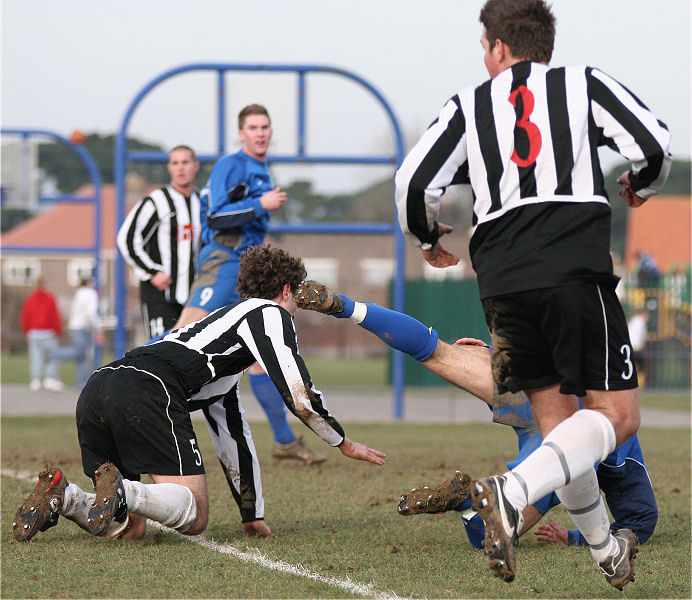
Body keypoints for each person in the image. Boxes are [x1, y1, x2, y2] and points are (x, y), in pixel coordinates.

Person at [393, 1, 671, 588]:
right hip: (570, 262)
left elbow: (415, 182)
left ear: (496, 47)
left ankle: (604, 550)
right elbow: (652, 142)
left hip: (499, 275)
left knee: (559, 427)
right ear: (545, 44)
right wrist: (639, 184)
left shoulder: (467, 105)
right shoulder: (583, 83)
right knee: (616, 418)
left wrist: (426, 239)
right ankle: (510, 491)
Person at [12, 245, 386, 544]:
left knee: (129, 529)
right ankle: (125, 490)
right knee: (195, 516)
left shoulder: (216, 335)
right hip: (148, 386)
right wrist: (341, 440)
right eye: (295, 301)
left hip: (98, 385)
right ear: (286, 291)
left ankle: (66, 495)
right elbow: (298, 392)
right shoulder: (268, 312)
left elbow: (232, 434)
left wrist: (251, 513)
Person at [295, 280, 658, 550]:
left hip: (535, 381)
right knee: (492, 534)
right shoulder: (622, 434)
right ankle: (470, 501)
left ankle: (345, 306)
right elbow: (640, 523)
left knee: (434, 351)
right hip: (567, 419)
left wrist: (489, 353)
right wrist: (575, 538)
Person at [172, 104, 325, 466]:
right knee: (182, 332)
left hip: (247, 264)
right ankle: (129, 393)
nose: (260, 132)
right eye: (253, 127)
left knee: (258, 355)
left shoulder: (261, 169)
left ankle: (285, 440)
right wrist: (262, 203)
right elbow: (216, 215)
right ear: (241, 133)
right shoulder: (232, 164)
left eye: (265, 126)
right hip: (224, 259)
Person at [116, 145, 201, 339]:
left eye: (185, 162)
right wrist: (153, 272)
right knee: (161, 352)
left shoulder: (202, 203)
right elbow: (126, 239)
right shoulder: (155, 202)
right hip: (161, 295)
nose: (180, 168)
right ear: (169, 168)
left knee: (194, 356)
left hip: (194, 296)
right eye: (175, 163)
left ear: (195, 166)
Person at [49, 277, 104, 389]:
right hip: (81, 328)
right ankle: (54, 354)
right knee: (79, 352)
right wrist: (99, 326)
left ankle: (82, 383)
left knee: (82, 356)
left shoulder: (79, 293)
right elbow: (91, 312)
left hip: (77, 326)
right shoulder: (90, 293)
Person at [19, 278, 64, 392]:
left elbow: (25, 316)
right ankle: (50, 377)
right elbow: (55, 316)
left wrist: (26, 330)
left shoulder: (30, 299)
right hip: (48, 332)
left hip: (34, 333)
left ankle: (36, 380)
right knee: (53, 356)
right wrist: (58, 331)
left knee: (36, 357)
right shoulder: (50, 298)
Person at [627, 310, 649, 384]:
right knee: (641, 366)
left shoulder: (633, 321)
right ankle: (639, 383)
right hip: (636, 348)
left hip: (630, 347)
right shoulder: (641, 322)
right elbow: (642, 337)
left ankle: (633, 382)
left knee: (631, 367)